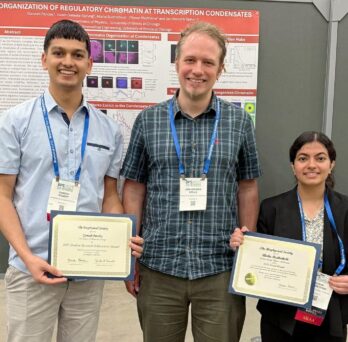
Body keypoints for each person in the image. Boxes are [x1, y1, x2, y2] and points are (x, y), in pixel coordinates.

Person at [0, 20, 143, 342]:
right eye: (59, 53)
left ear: (89, 64)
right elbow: (2, 195)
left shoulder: (108, 129)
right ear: (44, 59)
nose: (68, 62)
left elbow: (109, 195)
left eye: (77, 55)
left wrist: (121, 236)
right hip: (31, 268)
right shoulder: (14, 122)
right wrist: (26, 257)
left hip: (87, 270)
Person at [121, 21, 261, 342]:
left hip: (219, 267)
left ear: (220, 69)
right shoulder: (148, 121)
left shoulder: (239, 122)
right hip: (159, 266)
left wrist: (248, 237)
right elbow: (134, 185)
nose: (198, 70)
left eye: (208, 62)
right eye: (190, 60)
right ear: (177, 63)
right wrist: (131, 251)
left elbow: (248, 184)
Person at [230, 131, 348, 342]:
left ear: (331, 165)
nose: (311, 165)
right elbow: (257, 262)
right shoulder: (272, 208)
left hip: (330, 313)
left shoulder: (346, 209)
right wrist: (243, 245)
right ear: (293, 166)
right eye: (303, 158)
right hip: (280, 317)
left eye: (320, 158)